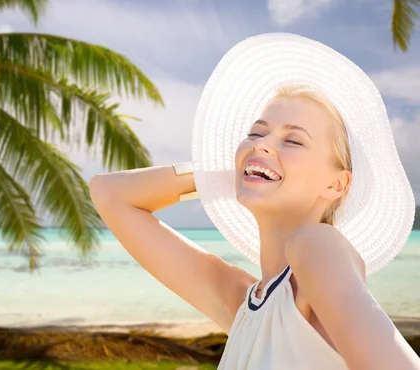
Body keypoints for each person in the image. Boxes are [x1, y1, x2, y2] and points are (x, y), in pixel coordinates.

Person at [89, 33, 420, 369]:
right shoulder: (246, 304)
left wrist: (257, 165)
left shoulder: (318, 246)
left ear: (336, 184)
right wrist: (240, 169)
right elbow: (110, 194)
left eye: (293, 140)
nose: (262, 144)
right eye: (257, 133)